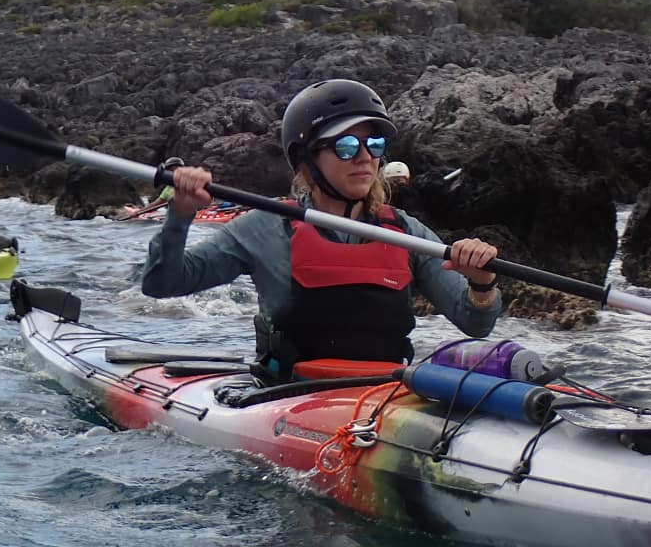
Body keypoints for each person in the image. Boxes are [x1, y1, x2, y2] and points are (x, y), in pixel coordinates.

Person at [142, 79, 501, 381]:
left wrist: (481, 284)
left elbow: (475, 323)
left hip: (381, 396)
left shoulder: (407, 232)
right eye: (346, 146)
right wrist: (180, 215)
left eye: (374, 144)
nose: (365, 157)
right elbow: (162, 283)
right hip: (285, 398)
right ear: (306, 160)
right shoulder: (263, 228)